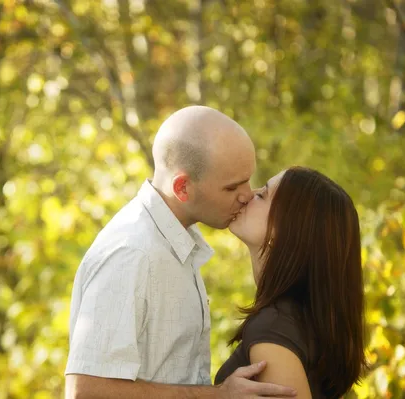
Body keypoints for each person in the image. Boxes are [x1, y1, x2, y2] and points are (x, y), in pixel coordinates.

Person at [65, 106, 297, 398]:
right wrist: (218, 396)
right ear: (183, 187)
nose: (247, 195)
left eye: (248, 180)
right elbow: (86, 391)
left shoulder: (175, 242)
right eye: (232, 187)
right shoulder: (132, 253)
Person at [215, 167, 367, 398]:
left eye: (262, 195)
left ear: (287, 229)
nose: (248, 194)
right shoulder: (304, 321)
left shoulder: (274, 325)